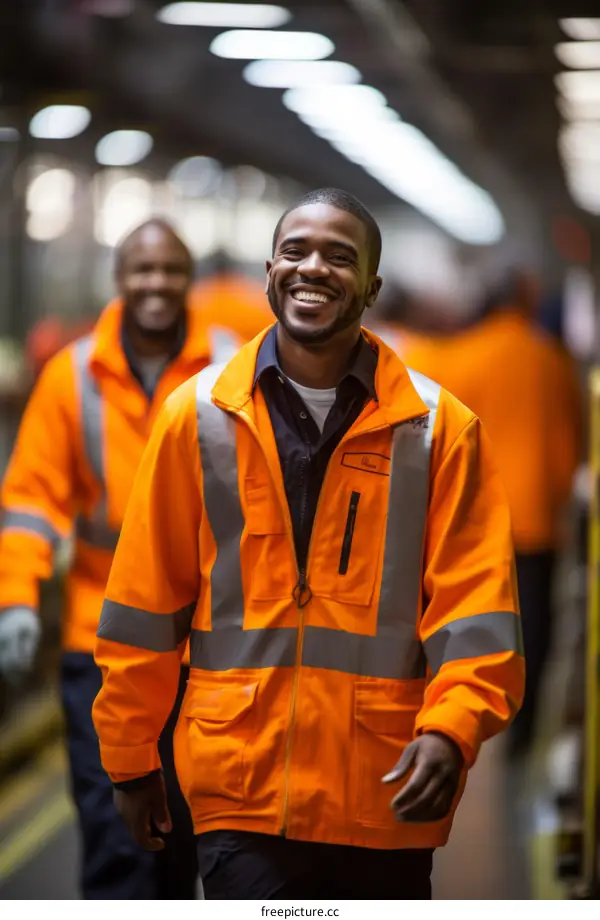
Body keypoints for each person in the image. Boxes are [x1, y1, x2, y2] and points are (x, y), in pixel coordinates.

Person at [92, 189, 524, 900]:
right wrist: (131, 759)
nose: (312, 268)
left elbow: (476, 613)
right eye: (295, 251)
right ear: (269, 272)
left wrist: (451, 730)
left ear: (372, 288)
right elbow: (145, 602)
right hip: (241, 788)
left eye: (339, 256)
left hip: (385, 791)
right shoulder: (196, 419)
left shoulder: (440, 430)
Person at [0, 218, 213, 899]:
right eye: (142, 270)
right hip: (100, 642)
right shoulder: (73, 376)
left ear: (189, 279)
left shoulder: (234, 365)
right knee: (116, 832)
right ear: (118, 279)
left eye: (171, 269)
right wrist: (15, 599)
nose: (157, 283)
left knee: (186, 835)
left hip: (205, 646)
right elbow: (32, 499)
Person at [404, 268, 582, 757]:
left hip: (471, 514)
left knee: (468, 616)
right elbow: (580, 432)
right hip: (539, 516)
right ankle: (520, 731)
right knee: (534, 624)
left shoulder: (460, 356)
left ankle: (458, 712)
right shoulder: (553, 358)